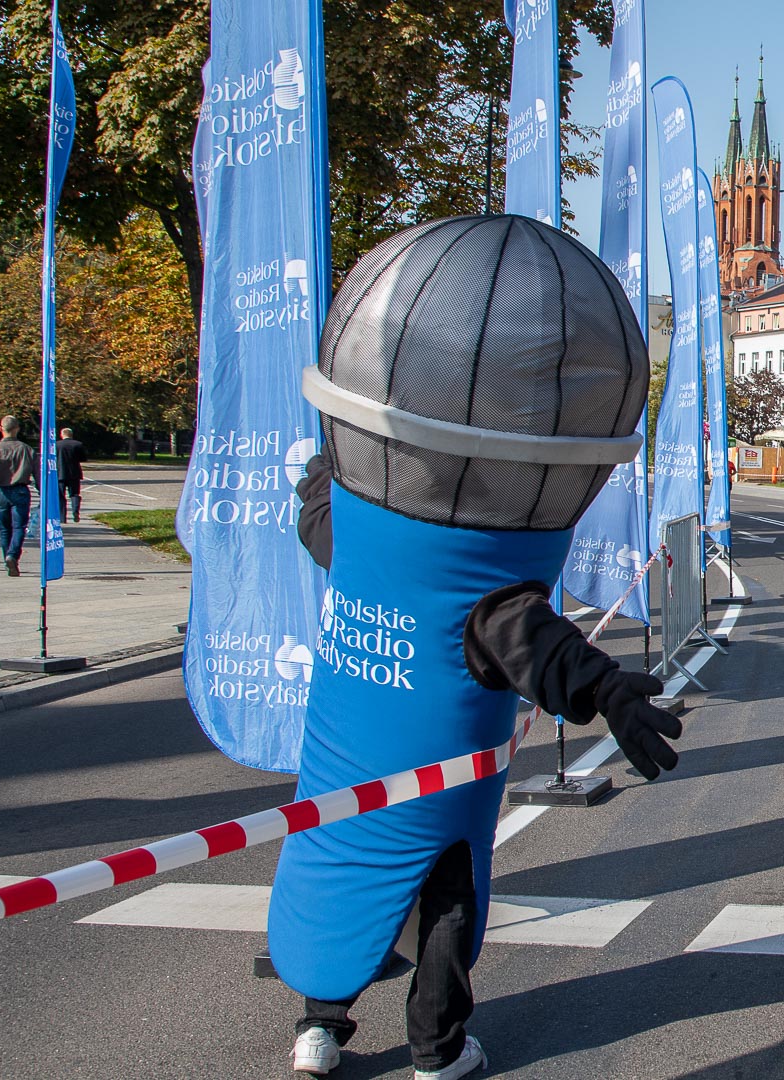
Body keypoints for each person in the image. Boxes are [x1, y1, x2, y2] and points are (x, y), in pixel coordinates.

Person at [276, 216, 681, 1080]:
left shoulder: (349, 541)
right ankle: (437, 1051)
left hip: (344, 763)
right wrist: (607, 691)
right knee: (448, 907)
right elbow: (531, 640)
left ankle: (320, 1024)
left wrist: (330, 467)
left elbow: (319, 513)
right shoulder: (478, 592)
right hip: (448, 784)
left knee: (340, 871)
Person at [0, 415, 36, 576]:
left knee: (4, 529)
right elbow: (37, 473)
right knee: (19, 527)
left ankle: (7, 560)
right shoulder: (27, 449)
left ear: (1, 429)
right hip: (20, 490)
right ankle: (12, 555)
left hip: (1, 491)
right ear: (17, 428)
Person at [55, 427, 86, 523]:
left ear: (62, 434)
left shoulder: (56, 445)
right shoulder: (78, 444)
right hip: (74, 473)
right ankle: (75, 510)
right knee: (74, 494)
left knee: (60, 496)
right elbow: (83, 458)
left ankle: (62, 517)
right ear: (71, 435)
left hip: (60, 473)